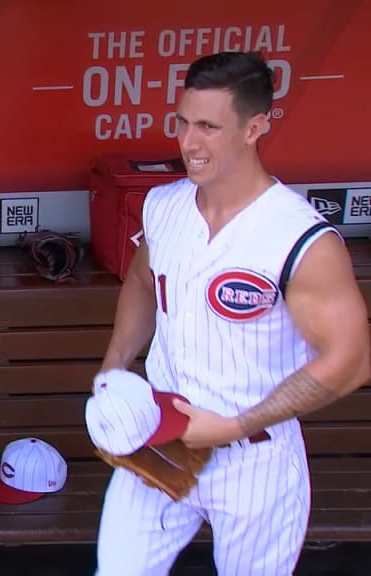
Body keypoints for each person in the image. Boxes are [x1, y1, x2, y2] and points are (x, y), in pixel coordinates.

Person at [92, 51, 371, 575]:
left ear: (255, 127)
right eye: (181, 122)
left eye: (207, 127)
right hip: (161, 437)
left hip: (254, 456)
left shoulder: (299, 237)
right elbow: (141, 281)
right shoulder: (164, 205)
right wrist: (115, 363)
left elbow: (352, 361)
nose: (187, 142)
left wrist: (237, 424)